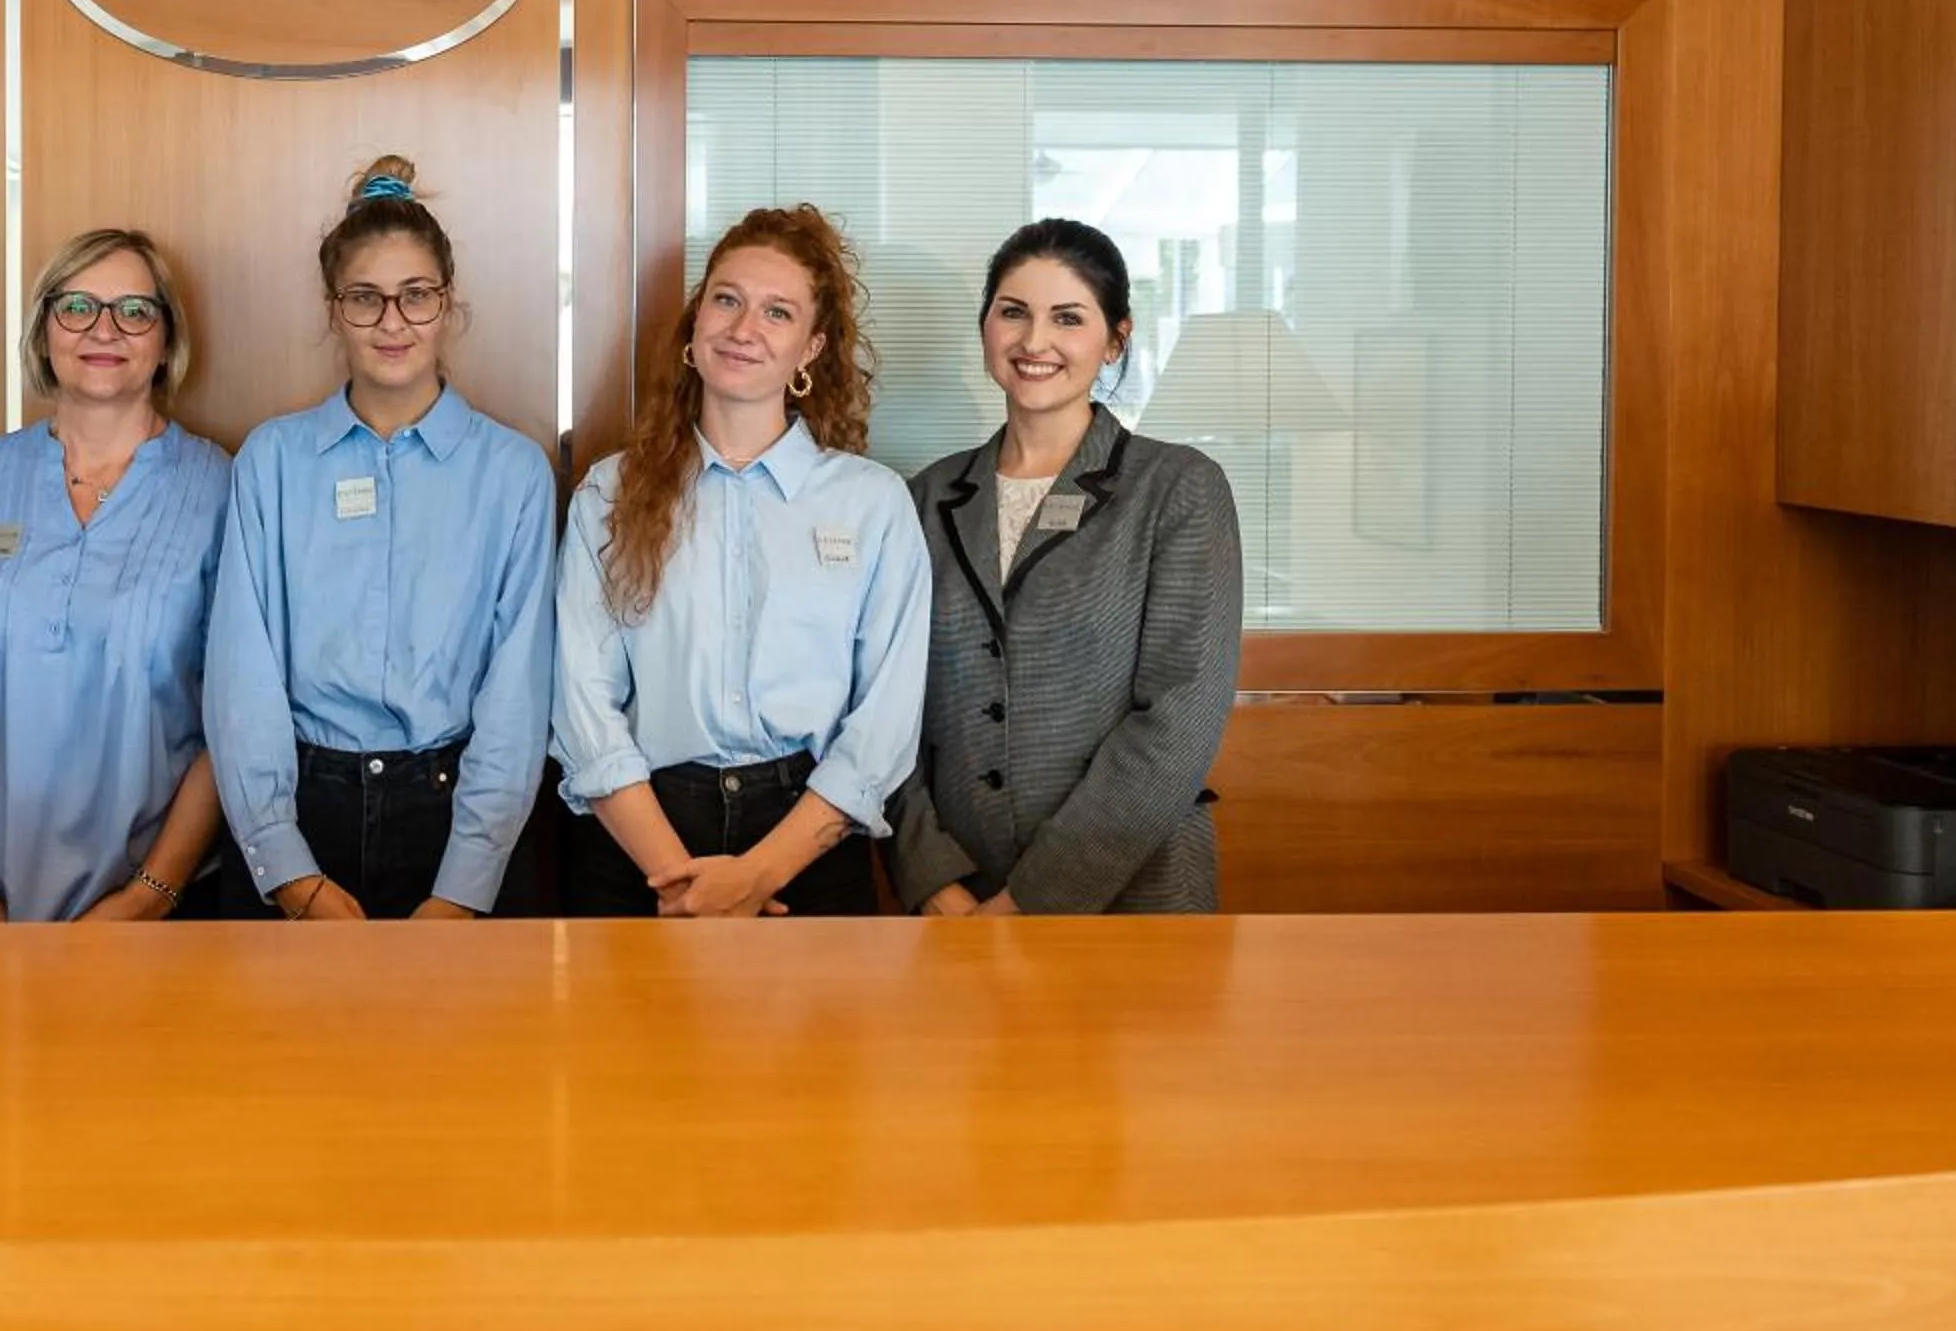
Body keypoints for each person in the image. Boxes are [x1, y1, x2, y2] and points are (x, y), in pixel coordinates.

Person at [204, 156, 555, 921]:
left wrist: (463, 887)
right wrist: (288, 868)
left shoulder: (513, 472)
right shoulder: (273, 460)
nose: (392, 322)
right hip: (298, 809)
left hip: (457, 815)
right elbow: (241, 675)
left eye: (415, 296)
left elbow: (518, 692)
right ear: (334, 310)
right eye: (366, 298)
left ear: (447, 303)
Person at [552, 205, 927, 918]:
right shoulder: (610, 491)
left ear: (811, 348)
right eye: (726, 299)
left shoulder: (872, 505)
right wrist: (680, 881)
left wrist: (757, 877)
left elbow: (883, 723)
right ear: (696, 322)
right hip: (639, 847)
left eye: (777, 313)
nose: (744, 329)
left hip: (807, 852)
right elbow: (582, 704)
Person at [0, 230, 232, 921]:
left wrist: (147, 899)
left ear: (167, 339)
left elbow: (234, 725)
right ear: (44, 333)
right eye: (77, 307)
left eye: (134, 310)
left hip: (151, 918)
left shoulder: (220, 490)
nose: (104, 329)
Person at [888, 218, 1243, 916]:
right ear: (986, 324)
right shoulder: (926, 498)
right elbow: (885, 707)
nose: (1034, 342)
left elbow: (1178, 717)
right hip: (960, 899)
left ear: (1115, 338)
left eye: (1068, 318)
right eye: (1013, 312)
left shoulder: (1177, 489)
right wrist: (931, 880)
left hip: (1136, 893)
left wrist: (1028, 903)